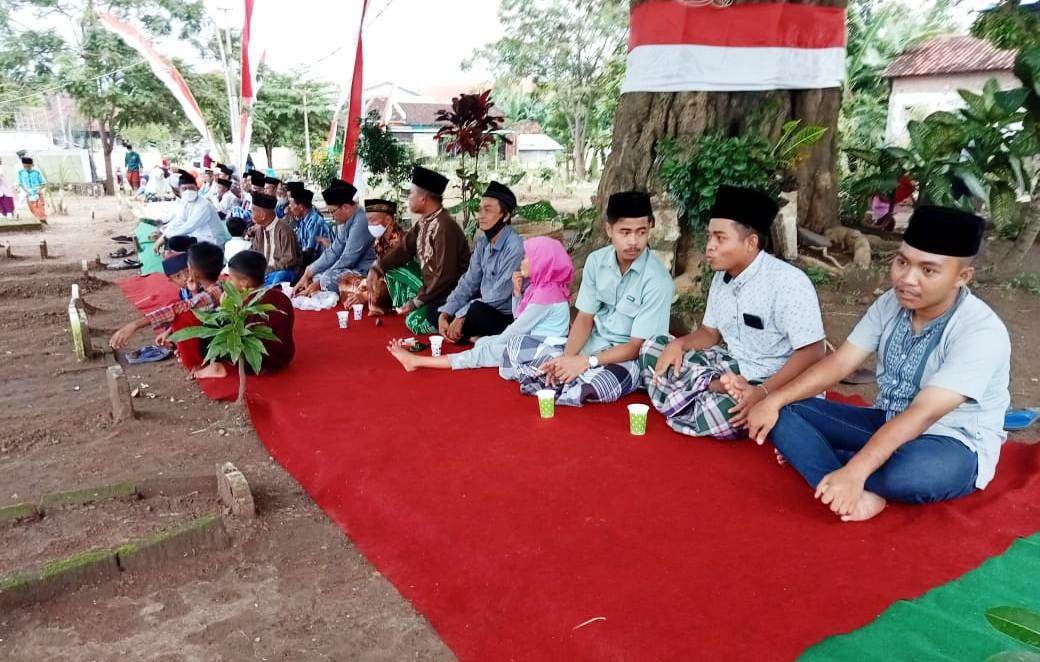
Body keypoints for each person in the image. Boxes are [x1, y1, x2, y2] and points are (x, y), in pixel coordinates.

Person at [746, 206, 1011, 522]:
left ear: (962, 276)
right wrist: (771, 399)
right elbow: (841, 362)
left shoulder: (980, 331)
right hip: (886, 421)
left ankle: (839, 470)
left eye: (928, 270)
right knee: (784, 412)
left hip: (951, 443)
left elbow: (923, 413)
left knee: (912, 476)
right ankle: (846, 485)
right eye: (902, 262)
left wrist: (856, 470)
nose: (906, 279)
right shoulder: (890, 303)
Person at [639, 185, 826, 440]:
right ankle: (711, 388)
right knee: (653, 348)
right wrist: (680, 345)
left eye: (720, 238)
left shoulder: (789, 282)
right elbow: (709, 333)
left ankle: (704, 394)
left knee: (723, 411)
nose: (709, 247)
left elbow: (813, 352)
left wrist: (762, 393)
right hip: (731, 364)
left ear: (751, 243)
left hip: (774, 379)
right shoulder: (720, 277)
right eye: (709, 237)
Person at [500, 191, 673, 407]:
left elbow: (636, 346)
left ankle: (552, 381)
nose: (633, 241)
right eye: (625, 232)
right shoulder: (596, 261)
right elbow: (584, 319)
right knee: (516, 344)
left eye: (641, 232)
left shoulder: (658, 280)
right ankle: (562, 380)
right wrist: (567, 359)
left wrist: (586, 362)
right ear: (609, 229)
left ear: (651, 227)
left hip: (625, 360)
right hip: (588, 348)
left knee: (601, 383)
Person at [388, 236, 573, 372]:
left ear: (542, 263)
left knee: (481, 353)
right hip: (534, 339)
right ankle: (480, 344)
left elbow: (517, 328)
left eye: (527, 258)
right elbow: (520, 318)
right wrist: (517, 293)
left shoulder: (545, 295)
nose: (522, 261)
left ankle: (418, 361)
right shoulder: (543, 288)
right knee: (483, 343)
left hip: (544, 348)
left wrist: (494, 346)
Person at [370, 166, 470, 334]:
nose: (408, 198)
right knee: (390, 268)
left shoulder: (445, 227)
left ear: (423, 198)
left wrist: (417, 301)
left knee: (414, 322)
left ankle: (454, 322)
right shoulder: (424, 222)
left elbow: (446, 276)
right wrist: (377, 268)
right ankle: (415, 304)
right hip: (429, 288)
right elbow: (403, 249)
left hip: (448, 295)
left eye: (411, 194)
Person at [436, 181, 524, 344]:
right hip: (482, 305)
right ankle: (469, 336)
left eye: (488, 210)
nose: (481, 215)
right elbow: (469, 282)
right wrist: (446, 314)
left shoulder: (515, 247)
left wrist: (462, 314)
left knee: (476, 312)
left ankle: (471, 334)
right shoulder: (483, 243)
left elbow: (500, 295)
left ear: (505, 216)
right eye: (480, 209)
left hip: (504, 314)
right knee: (436, 309)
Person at [193, 249, 296, 380]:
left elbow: (238, 333)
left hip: (256, 364)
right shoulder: (280, 296)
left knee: (211, 320)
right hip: (285, 358)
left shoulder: (249, 304)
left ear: (244, 283)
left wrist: (225, 307)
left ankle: (215, 366)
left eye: (230, 278)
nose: (227, 281)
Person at [109, 242, 225, 352]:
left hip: (217, 340)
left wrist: (135, 325)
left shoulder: (213, 292)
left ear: (194, 272)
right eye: (178, 275)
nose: (185, 276)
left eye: (188, 268)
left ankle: (196, 366)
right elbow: (196, 306)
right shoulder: (214, 287)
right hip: (211, 329)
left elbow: (180, 308)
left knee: (181, 319)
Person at [338, 199, 423, 316]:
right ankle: (367, 298)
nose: (369, 225)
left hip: (400, 285)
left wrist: (365, 293)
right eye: (367, 221)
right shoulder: (379, 241)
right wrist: (365, 286)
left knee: (379, 287)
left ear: (388, 220)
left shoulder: (401, 240)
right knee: (345, 279)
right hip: (381, 279)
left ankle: (371, 299)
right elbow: (377, 271)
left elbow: (395, 274)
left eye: (372, 220)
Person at [294, 180, 374, 294]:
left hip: (366, 271)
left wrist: (320, 282)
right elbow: (334, 251)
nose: (332, 216)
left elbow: (348, 258)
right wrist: (309, 271)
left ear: (345, 207)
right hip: (350, 269)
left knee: (328, 278)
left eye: (332, 212)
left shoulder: (361, 220)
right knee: (317, 274)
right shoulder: (345, 220)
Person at [152, 171, 229, 253]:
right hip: (197, 235)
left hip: (213, 241)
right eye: (184, 189)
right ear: (179, 191)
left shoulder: (204, 205)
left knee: (174, 241)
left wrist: (165, 237)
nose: (188, 191)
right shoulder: (186, 202)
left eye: (191, 188)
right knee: (172, 236)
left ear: (197, 188)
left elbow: (188, 227)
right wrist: (163, 234)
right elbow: (179, 221)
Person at [248, 192, 301, 286]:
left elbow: (289, 260)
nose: (251, 214)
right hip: (264, 273)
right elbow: (253, 253)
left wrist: (267, 269)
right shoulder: (259, 230)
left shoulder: (285, 230)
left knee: (279, 277)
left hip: (283, 272)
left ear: (262, 215)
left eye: (252, 211)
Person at [287, 186, 333, 266]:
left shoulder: (314, 222)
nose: (289, 208)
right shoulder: (303, 220)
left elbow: (310, 254)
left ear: (301, 207)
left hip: (322, 264)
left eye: (291, 204)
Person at [17, 156, 47, 224]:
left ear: (32, 165)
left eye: (28, 166)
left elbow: (44, 183)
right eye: (25, 166)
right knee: (32, 208)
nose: (26, 168)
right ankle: (39, 220)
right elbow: (20, 183)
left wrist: (39, 190)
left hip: (38, 193)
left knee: (40, 207)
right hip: (28, 193)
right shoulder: (20, 172)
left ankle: (43, 219)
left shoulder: (37, 172)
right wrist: (26, 191)